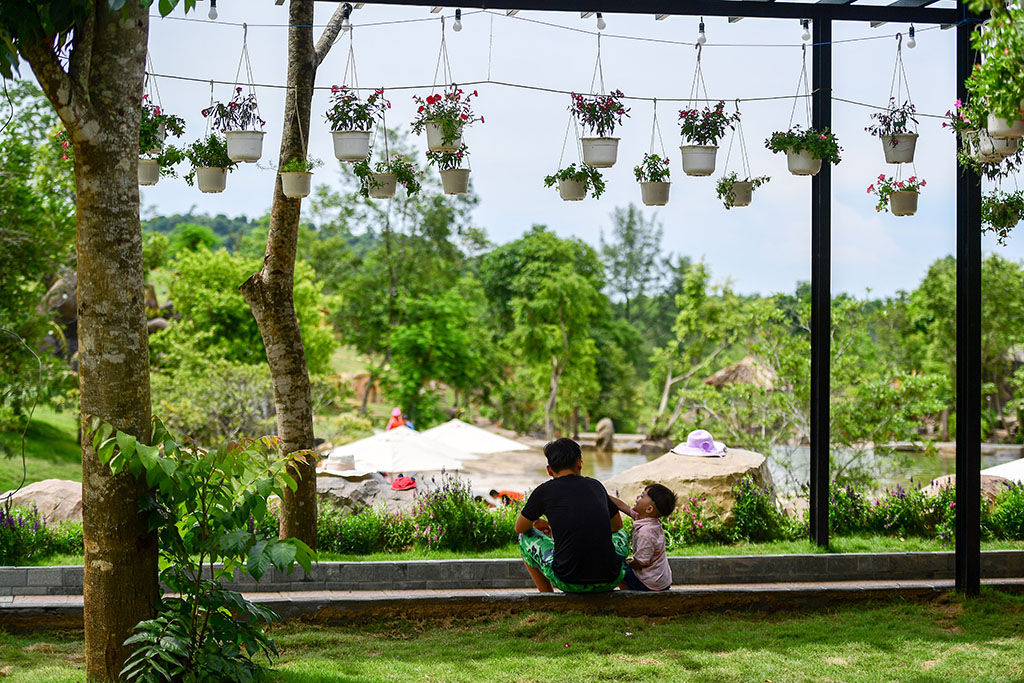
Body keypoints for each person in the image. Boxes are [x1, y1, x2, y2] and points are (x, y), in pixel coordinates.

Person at [514, 438, 629, 593]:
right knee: (621, 534)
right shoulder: (596, 486)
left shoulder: (544, 491)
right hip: (611, 579)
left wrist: (538, 522)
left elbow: (520, 528)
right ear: (579, 463)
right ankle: (626, 590)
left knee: (524, 538)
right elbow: (617, 526)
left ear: (549, 470)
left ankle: (546, 596)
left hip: (568, 581)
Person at [609, 484, 676, 591]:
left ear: (649, 509)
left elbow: (642, 562)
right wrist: (602, 495)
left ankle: (628, 596)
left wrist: (629, 563)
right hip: (659, 579)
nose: (637, 497)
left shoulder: (646, 532)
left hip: (650, 583)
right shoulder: (646, 518)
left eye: (642, 496)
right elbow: (621, 506)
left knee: (620, 569)